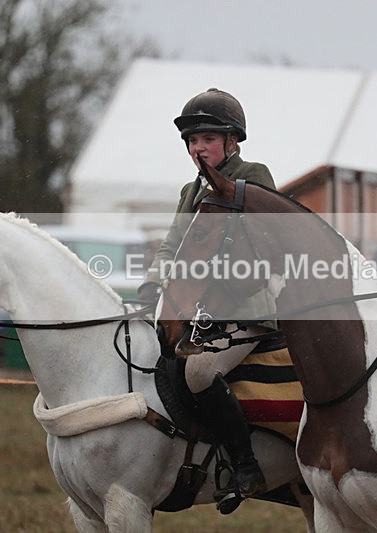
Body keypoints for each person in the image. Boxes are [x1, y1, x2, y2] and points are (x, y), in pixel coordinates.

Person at [138, 88, 276, 511]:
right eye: (192, 141)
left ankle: (245, 466)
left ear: (232, 141)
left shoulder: (254, 176)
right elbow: (173, 246)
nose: (198, 148)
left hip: (248, 310)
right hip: (197, 312)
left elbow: (268, 247)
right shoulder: (189, 190)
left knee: (198, 372)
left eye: (208, 140)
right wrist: (152, 284)